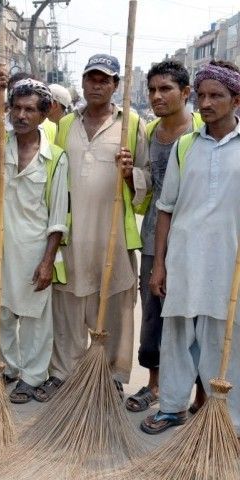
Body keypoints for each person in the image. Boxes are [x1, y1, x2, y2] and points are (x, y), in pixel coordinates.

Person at [34, 53, 150, 402]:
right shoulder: (65, 124)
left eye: (105, 80)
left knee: (114, 303)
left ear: (115, 86)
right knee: (67, 303)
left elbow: (145, 186)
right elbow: (52, 178)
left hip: (112, 231)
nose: (97, 85)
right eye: (92, 78)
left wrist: (131, 174)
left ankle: (113, 374)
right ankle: (62, 372)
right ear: (83, 82)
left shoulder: (131, 123)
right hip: (73, 231)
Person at [142, 60, 240, 435]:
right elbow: (165, 209)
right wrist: (160, 265)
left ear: (236, 100)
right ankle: (171, 408)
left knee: (226, 337)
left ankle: (227, 419)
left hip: (228, 262)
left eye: (216, 96)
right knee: (178, 336)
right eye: (201, 96)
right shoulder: (186, 146)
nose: (206, 103)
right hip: (184, 258)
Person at [0, 71, 68, 404]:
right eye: (16, 108)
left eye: (30, 109)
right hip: (1, 245)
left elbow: (58, 218)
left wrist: (48, 261)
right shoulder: (4, 146)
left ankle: (33, 377)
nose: (21, 115)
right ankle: (7, 369)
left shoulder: (56, 158)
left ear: (44, 115)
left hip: (35, 249)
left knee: (34, 317)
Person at [125, 60, 205, 415]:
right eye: (152, 89)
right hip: (155, 237)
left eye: (165, 89)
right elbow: (143, 193)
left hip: (196, 239)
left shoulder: (202, 131)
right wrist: (129, 175)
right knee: (154, 313)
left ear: (186, 94)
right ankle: (155, 385)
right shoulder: (149, 133)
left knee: (198, 316)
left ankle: (202, 397)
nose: (157, 96)